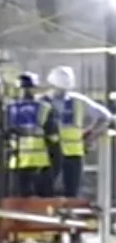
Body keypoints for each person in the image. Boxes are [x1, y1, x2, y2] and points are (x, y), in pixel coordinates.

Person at [5, 73, 60, 201]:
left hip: (16, 163)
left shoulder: (8, 108)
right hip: (40, 163)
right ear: (33, 89)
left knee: (18, 202)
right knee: (43, 202)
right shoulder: (44, 108)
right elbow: (53, 138)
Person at [51, 69, 93, 201]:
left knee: (70, 191)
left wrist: (90, 134)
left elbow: (105, 117)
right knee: (53, 191)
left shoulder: (78, 101)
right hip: (53, 152)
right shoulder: (44, 101)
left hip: (65, 152)